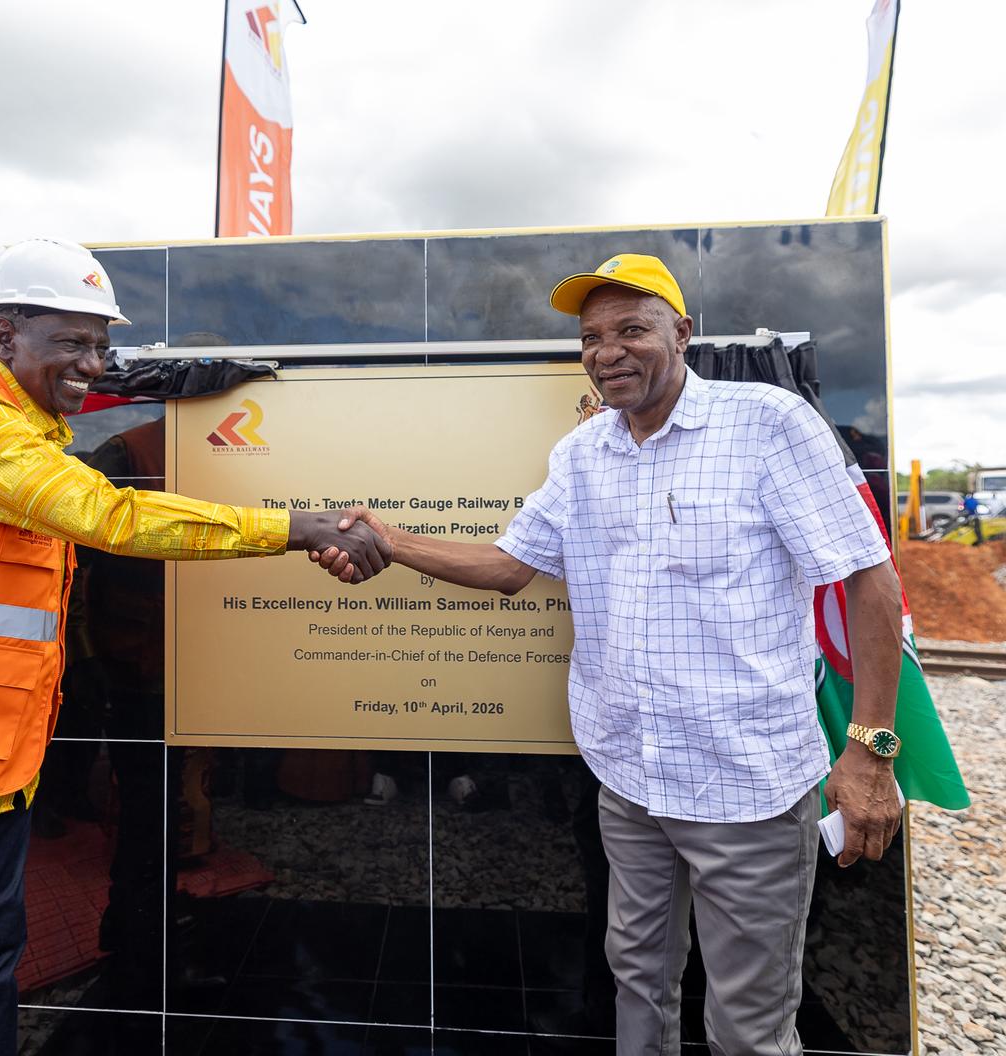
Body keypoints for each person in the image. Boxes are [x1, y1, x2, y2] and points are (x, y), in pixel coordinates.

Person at [0, 237, 389, 1056]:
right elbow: (108, 514)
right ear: (3, 335)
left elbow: (91, 395)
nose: (91, 363)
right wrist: (295, 528)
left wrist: (176, 380)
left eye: (100, 344)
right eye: (70, 342)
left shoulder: (28, 419)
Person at [320, 253, 904, 1056]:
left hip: (746, 787)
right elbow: (509, 566)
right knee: (637, 978)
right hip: (629, 782)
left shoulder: (767, 425)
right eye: (591, 337)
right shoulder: (584, 453)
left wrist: (870, 753)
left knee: (749, 1024)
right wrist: (388, 541)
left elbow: (869, 580)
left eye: (632, 329)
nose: (607, 351)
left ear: (683, 333)